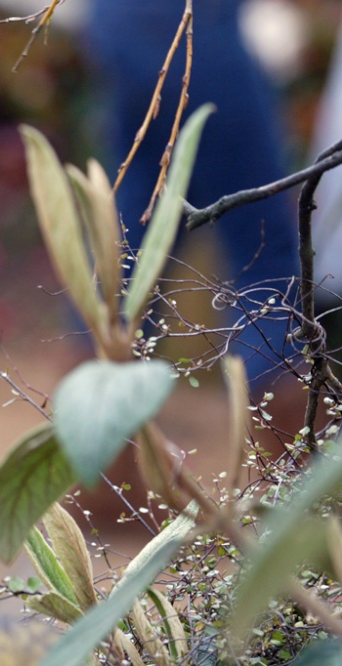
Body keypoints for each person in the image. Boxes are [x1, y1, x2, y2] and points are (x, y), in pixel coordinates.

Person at [82, 0, 299, 387]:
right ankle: (286, 434)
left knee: (138, 218)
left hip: (123, 21)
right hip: (191, 25)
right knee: (264, 251)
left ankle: (90, 406)